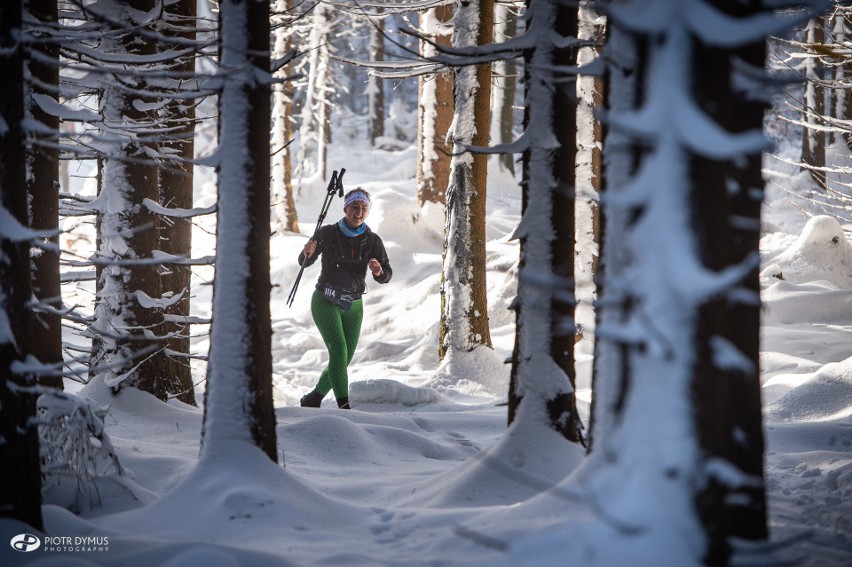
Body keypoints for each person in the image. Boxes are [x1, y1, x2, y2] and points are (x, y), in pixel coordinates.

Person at [297, 188, 393, 409]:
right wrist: (306, 252)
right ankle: (344, 407)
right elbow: (304, 262)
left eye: (363, 208)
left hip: (354, 305)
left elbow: (387, 274)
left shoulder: (372, 240)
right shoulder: (327, 233)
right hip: (325, 300)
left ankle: (313, 399)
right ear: (345, 208)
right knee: (338, 351)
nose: (358, 212)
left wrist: (379, 272)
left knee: (343, 359)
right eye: (354, 207)